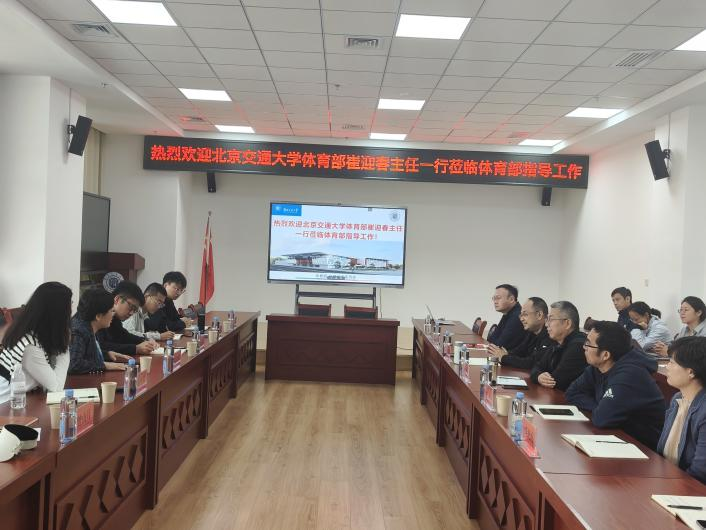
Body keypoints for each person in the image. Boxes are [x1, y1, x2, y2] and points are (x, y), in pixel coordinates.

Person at [566, 321, 665, 450]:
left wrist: (600, 408)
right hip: (619, 437)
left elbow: (602, 419)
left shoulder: (630, 374)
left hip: (644, 448)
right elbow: (572, 393)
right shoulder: (597, 367)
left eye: (588, 344)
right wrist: (599, 406)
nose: (584, 347)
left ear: (605, 355)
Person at [0, 282, 72, 403]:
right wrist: (64, 347)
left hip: (20, 401)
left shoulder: (33, 333)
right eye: (69, 305)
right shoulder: (29, 346)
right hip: (6, 405)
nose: (70, 311)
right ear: (57, 313)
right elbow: (56, 387)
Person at [657, 336, 706, 483]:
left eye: (672, 362)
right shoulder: (678, 399)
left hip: (692, 489)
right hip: (670, 480)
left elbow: (700, 472)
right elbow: (664, 454)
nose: (667, 367)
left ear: (691, 372)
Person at [70, 288, 132, 373]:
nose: (113, 315)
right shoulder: (78, 331)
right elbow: (74, 364)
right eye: (111, 311)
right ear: (98, 316)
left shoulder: (89, 324)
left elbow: (87, 354)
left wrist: (107, 354)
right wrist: (104, 365)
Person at [531, 301, 587, 391]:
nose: (546, 324)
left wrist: (540, 376)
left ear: (567, 323)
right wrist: (538, 376)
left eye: (551, 319)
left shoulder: (578, 346)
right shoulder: (557, 341)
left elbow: (556, 382)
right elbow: (537, 366)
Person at [491, 297, 555, 369]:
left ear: (539, 315)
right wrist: (506, 354)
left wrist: (504, 357)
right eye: (521, 315)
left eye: (525, 314)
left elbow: (532, 363)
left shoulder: (550, 334)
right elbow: (520, 351)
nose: (521, 319)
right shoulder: (531, 332)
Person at [96, 281, 156, 356]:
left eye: (135, 310)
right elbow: (100, 346)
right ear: (117, 299)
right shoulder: (100, 313)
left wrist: (145, 340)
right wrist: (135, 349)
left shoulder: (115, 318)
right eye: (131, 307)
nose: (131, 313)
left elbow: (124, 336)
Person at [487, 284, 524, 350]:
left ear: (511, 299)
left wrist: (494, 342)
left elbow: (499, 345)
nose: (495, 302)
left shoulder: (517, 316)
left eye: (498, 298)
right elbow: (491, 339)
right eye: (494, 298)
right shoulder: (508, 313)